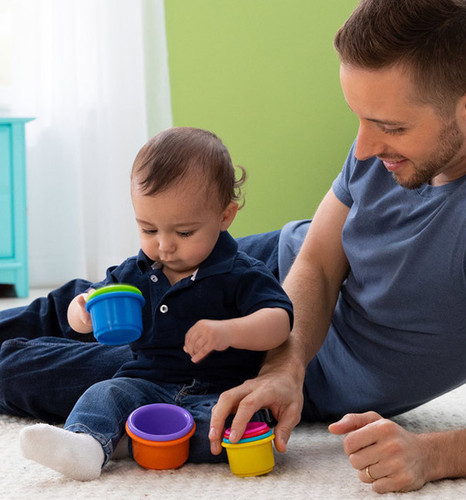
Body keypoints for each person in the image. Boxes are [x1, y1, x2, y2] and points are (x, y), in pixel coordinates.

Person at [0, 0, 466, 493]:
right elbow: (321, 263)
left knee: (36, 370)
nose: (364, 149)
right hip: (264, 268)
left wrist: (433, 455)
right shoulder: (390, 133)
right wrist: (288, 364)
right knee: (86, 300)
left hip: (245, 352)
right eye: (360, 119)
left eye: (390, 128)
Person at [16, 126, 293, 481]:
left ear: (225, 216)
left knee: (236, 426)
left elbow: (279, 323)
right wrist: (82, 310)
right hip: (145, 382)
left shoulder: (240, 272)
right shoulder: (137, 271)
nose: (164, 246)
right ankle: (87, 444)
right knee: (106, 393)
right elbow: (92, 299)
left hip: (219, 389)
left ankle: (129, 439)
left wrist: (229, 331)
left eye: (184, 233)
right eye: (148, 230)